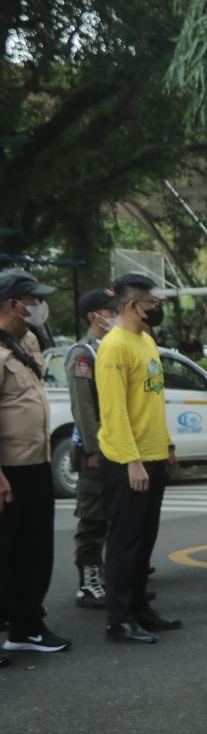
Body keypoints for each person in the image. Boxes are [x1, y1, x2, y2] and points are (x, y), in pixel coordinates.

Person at [95, 273, 182, 643]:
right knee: (125, 542)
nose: (156, 309)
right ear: (132, 306)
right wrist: (132, 461)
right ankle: (120, 619)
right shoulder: (115, 347)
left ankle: (140, 609)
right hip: (127, 461)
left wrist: (167, 448)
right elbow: (114, 413)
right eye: (152, 304)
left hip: (152, 455)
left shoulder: (145, 340)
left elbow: (152, 402)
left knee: (145, 540)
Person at [0, 271, 70, 657]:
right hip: (7, 469)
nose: (39, 306)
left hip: (37, 462)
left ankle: (27, 625)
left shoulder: (26, 339)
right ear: (14, 303)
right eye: (33, 300)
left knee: (35, 550)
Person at [66, 289, 120, 610]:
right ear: (93, 316)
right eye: (108, 311)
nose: (113, 315)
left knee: (113, 517)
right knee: (93, 518)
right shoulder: (83, 353)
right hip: (95, 451)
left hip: (113, 447)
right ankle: (88, 584)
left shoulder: (107, 349)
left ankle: (109, 578)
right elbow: (83, 407)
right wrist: (92, 449)